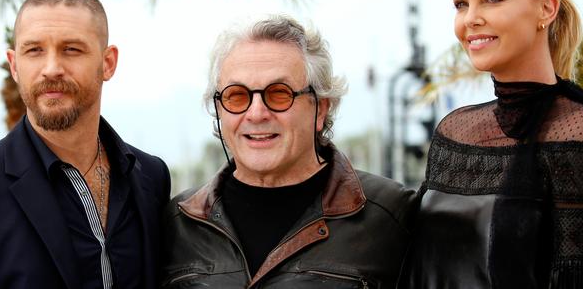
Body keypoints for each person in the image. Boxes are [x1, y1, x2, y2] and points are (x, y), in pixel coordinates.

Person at [398, 0, 583, 289]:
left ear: (546, 8)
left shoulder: (582, 131)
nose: (471, 19)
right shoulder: (453, 131)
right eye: (461, 4)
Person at [161, 15, 416, 288]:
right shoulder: (175, 223)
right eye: (237, 96)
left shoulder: (393, 216)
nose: (256, 113)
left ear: (322, 108)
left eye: (279, 94)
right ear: (219, 110)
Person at [0, 0, 171, 289]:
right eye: (34, 51)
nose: (51, 68)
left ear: (108, 63)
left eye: (71, 49)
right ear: (14, 65)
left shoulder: (151, 176)